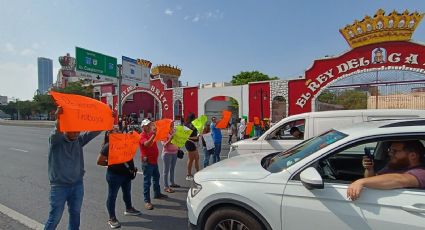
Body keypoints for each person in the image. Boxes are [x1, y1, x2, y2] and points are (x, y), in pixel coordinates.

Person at [44, 106, 102, 230]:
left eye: (78, 131)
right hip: (59, 186)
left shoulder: (78, 140)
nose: (76, 134)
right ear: (66, 128)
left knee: (75, 215)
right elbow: (56, 132)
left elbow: (94, 132)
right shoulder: (56, 141)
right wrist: (59, 118)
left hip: (77, 185)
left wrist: (106, 119)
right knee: (54, 217)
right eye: (73, 131)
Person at [347, 140, 425, 201]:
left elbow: (399, 179)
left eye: (395, 151)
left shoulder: (421, 172)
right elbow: (373, 179)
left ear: (412, 155)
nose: (390, 154)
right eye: (390, 150)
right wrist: (369, 169)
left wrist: (361, 181)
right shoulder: (394, 166)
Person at [96, 129, 141, 229]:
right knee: (112, 196)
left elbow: (130, 156)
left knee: (127, 192)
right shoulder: (108, 146)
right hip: (114, 175)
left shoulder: (125, 143)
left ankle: (129, 208)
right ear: (109, 134)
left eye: (117, 130)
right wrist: (111, 162)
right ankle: (112, 218)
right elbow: (99, 161)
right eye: (113, 131)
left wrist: (132, 168)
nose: (117, 132)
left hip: (126, 174)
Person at [139, 119, 168, 210]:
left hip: (153, 161)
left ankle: (157, 193)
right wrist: (154, 135)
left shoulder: (151, 133)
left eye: (150, 125)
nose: (149, 126)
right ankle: (147, 201)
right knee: (147, 182)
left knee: (156, 177)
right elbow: (146, 144)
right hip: (147, 162)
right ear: (143, 127)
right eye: (147, 125)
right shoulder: (142, 136)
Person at [161, 122, 180, 193]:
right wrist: (170, 139)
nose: (172, 126)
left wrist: (179, 144)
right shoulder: (164, 134)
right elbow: (164, 145)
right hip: (167, 154)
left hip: (175, 152)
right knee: (166, 171)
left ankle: (172, 183)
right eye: (171, 125)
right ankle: (166, 186)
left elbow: (177, 141)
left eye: (173, 124)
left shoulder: (174, 131)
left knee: (172, 169)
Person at [185, 113, 200, 181]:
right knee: (191, 159)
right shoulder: (188, 126)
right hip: (190, 143)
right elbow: (186, 136)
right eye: (194, 118)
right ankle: (188, 174)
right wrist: (195, 137)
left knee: (197, 158)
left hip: (194, 143)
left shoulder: (194, 125)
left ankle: (198, 172)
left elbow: (196, 133)